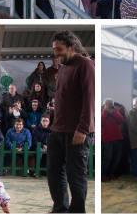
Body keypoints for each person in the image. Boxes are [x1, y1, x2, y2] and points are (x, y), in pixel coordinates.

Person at [48, 31, 94, 213]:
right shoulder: (63, 67)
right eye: (54, 49)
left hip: (77, 132)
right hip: (58, 129)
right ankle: (60, 208)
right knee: (54, 173)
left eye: (59, 49)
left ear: (71, 47)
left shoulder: (86, 65)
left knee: (76, 176)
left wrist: (82, 129)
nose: (55, 53)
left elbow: (90, 98)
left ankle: (77, 210)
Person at [102, 98, 125, 182]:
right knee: (108, 158)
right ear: (105, 104)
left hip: (117, 137)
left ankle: (112, 173)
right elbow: (101, 122)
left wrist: (113, 112)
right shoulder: (102, 111)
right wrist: (105, 111)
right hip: (107, 138)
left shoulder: (115, 111)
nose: (110, 105)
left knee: (117, 158)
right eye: (108, 103)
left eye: (111, 103)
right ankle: (104, 175)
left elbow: (121, 120)